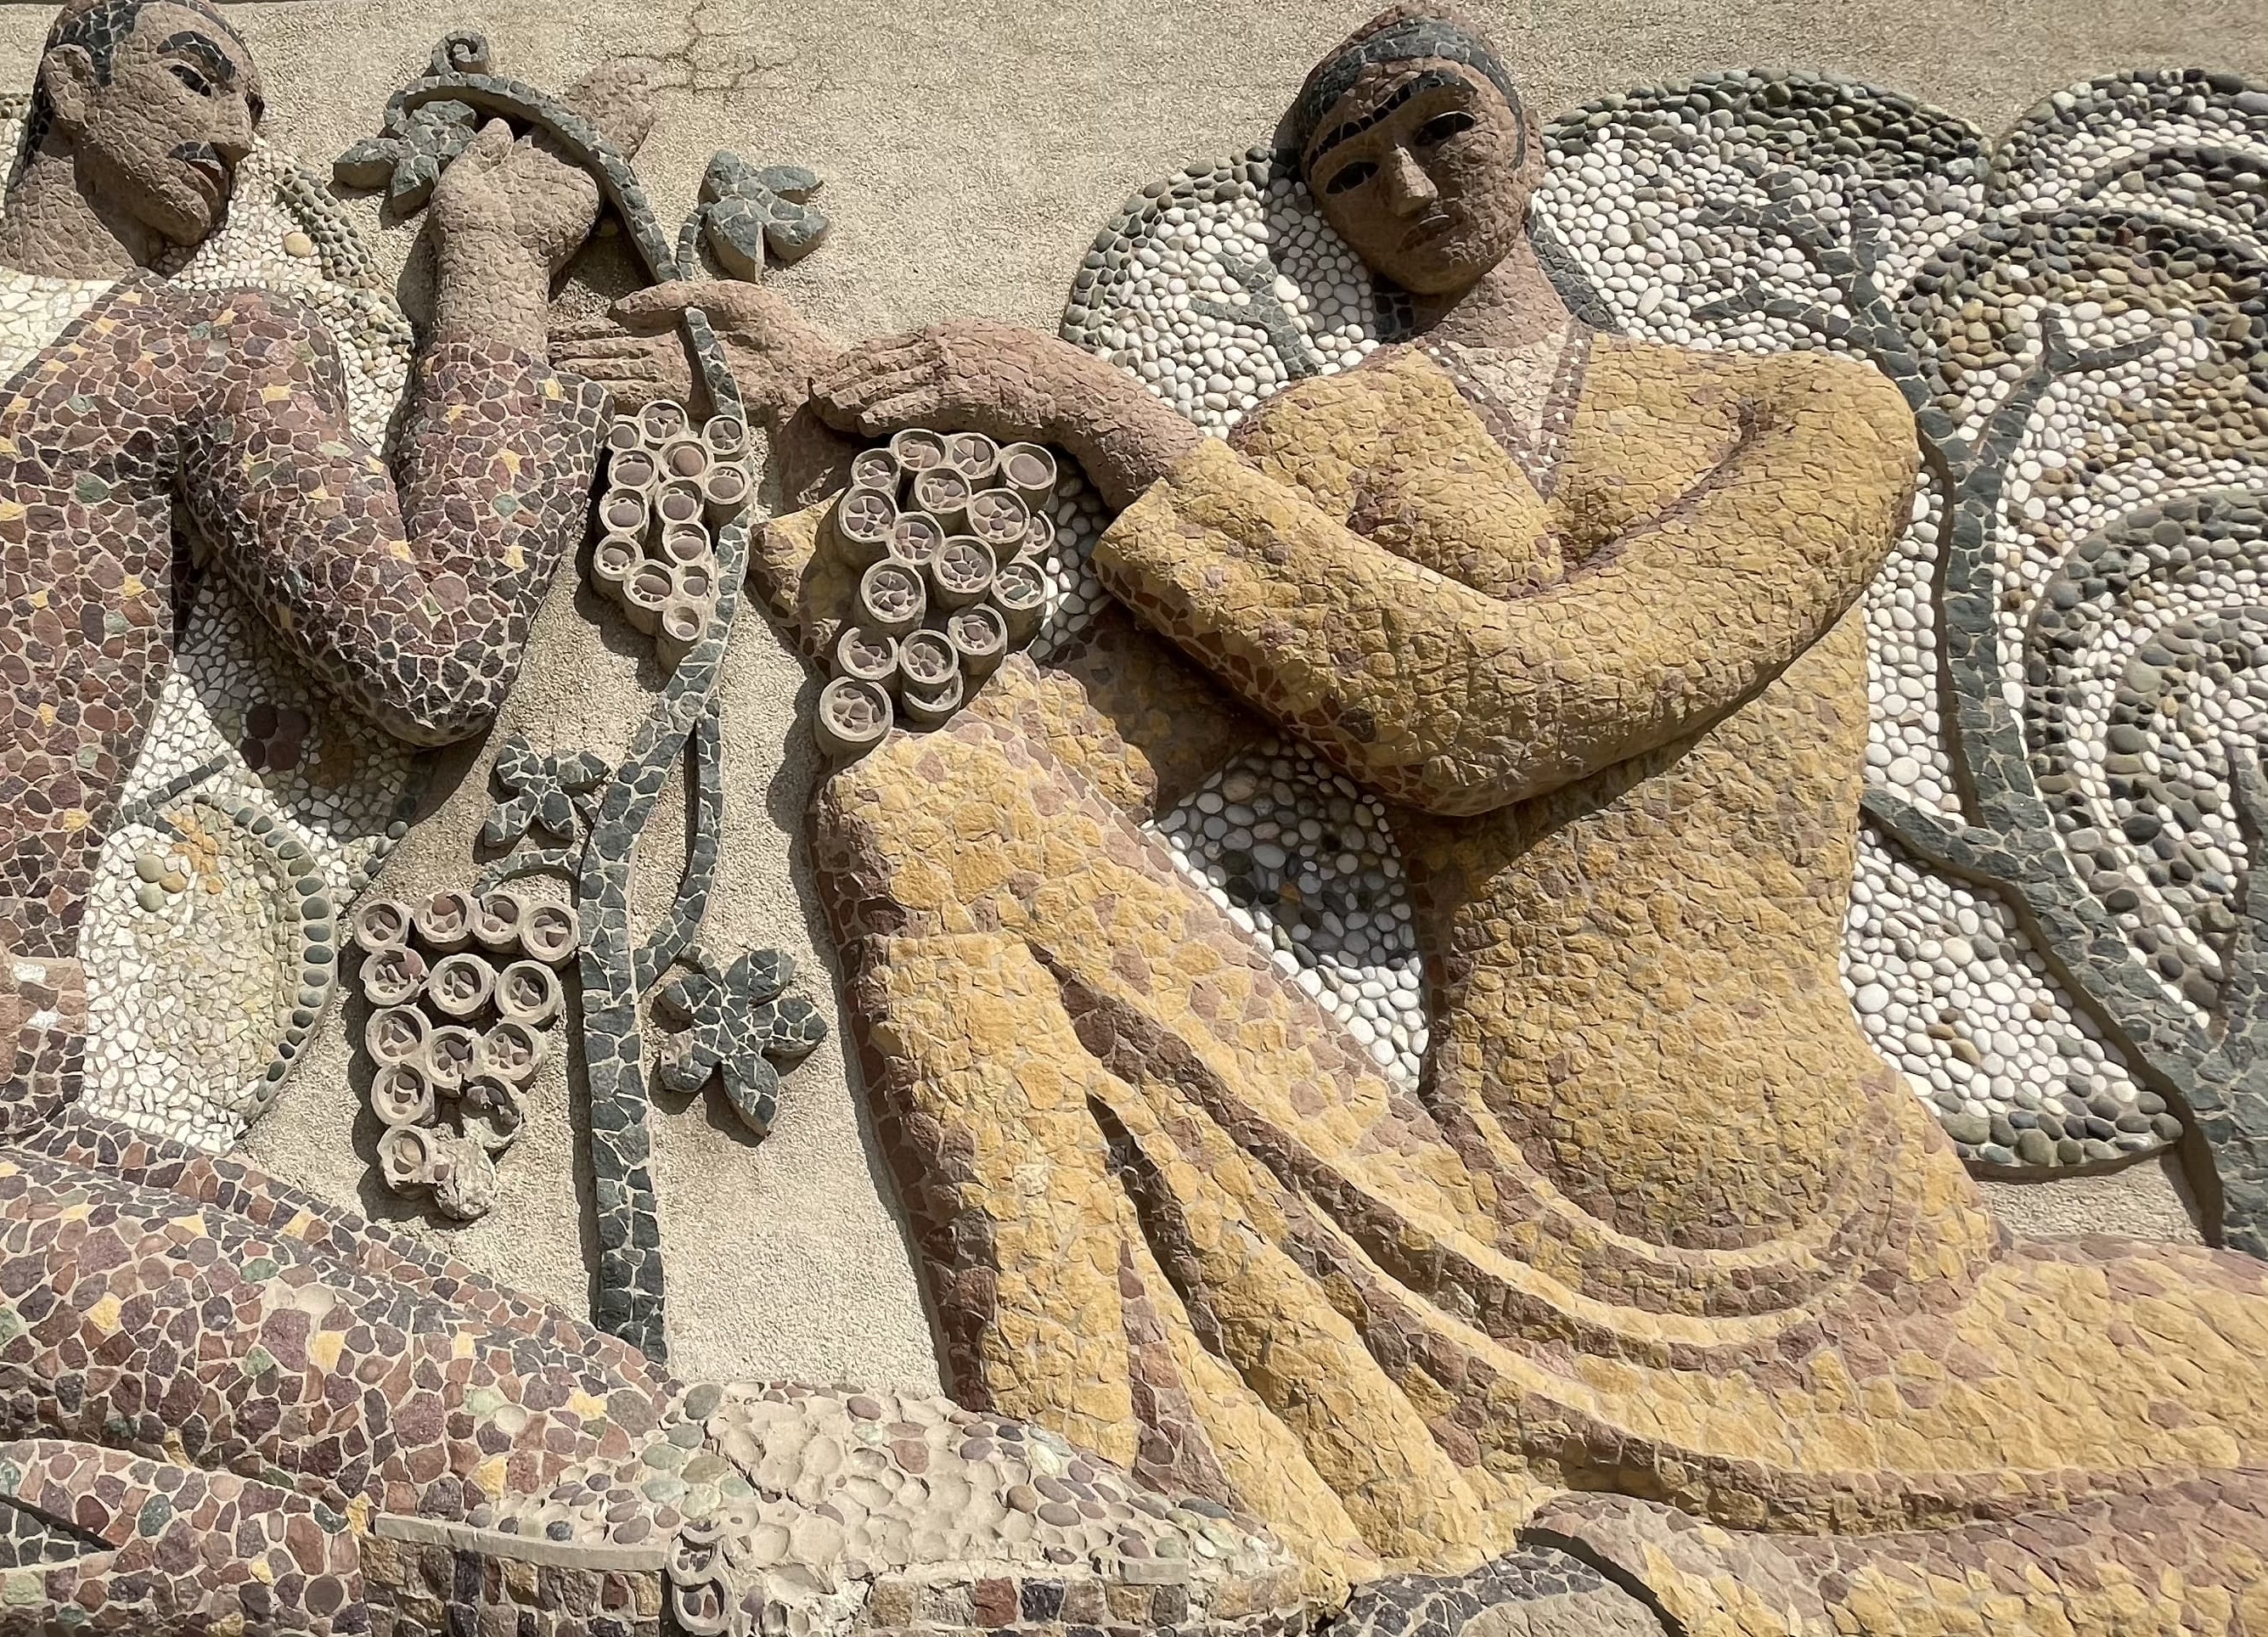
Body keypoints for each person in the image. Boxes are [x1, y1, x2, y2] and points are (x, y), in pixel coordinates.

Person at [0, 8, 1323, 1631]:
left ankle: (1167, 1576)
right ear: (72, 71)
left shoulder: (217, 351)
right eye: (202, 69)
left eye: (255, 95)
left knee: (500, 1423)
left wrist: (484, 261)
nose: (241, 125)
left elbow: (428, 647)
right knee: (497, 1466)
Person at [560, 6, 2268, 1627]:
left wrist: (1089, 408)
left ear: (1524, 134)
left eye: (1443, 132)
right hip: (1466, 1218)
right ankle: (1080, 1504)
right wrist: (797, 444)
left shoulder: (1808, 415)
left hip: (1833, 1231)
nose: (1412, 191)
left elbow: (1512, 706)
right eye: (1352, 176)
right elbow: (1048, 773)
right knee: (919, 816)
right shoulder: (1320, 450)